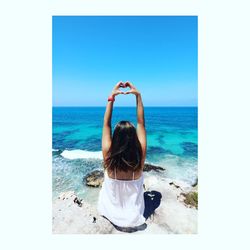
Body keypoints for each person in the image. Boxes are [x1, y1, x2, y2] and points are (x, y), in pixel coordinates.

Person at [97, 81, 148, 232]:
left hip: (109, 213)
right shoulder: (139, 159)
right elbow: (141, 123)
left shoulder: (108, 156)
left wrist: (111, 97)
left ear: (116, 138)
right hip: (134, 217)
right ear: (134, 138)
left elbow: (106, 124)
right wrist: (138, 96)